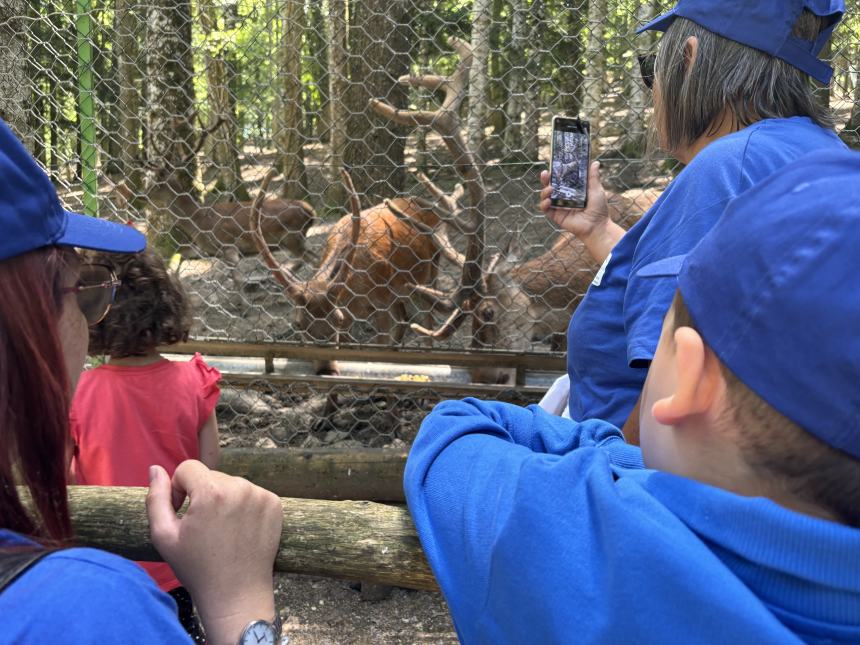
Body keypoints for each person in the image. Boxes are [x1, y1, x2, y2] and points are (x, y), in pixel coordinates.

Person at [405, 148, 860, 643]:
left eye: (656, 329)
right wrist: (600, 233)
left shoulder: (585, 535)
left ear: (690, 381)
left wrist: (609, 458)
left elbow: (453, 432)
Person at [0, 115, 285, 645]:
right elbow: (207, 469)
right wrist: (243, 616)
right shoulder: (89, 614)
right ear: (24, 321)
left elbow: (67, 470)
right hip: (175, 567)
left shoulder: (88, 392)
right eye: (80, 291)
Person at [537, 0, 847, 438]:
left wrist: (601, 470)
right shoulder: (821, 150)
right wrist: (600, 229)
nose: (653, 92)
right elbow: (702, 282)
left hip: (635, 465)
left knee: (456, 433)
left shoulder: (726, 167)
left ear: (690, 58)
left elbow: (668, 397)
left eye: (652, 72)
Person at [70, 248, 222, 643]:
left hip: (104, 555)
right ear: (165, 307)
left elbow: (62, 477)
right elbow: (209, 462)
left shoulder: (80, 391)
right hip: (176, 557)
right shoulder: (194, 381)